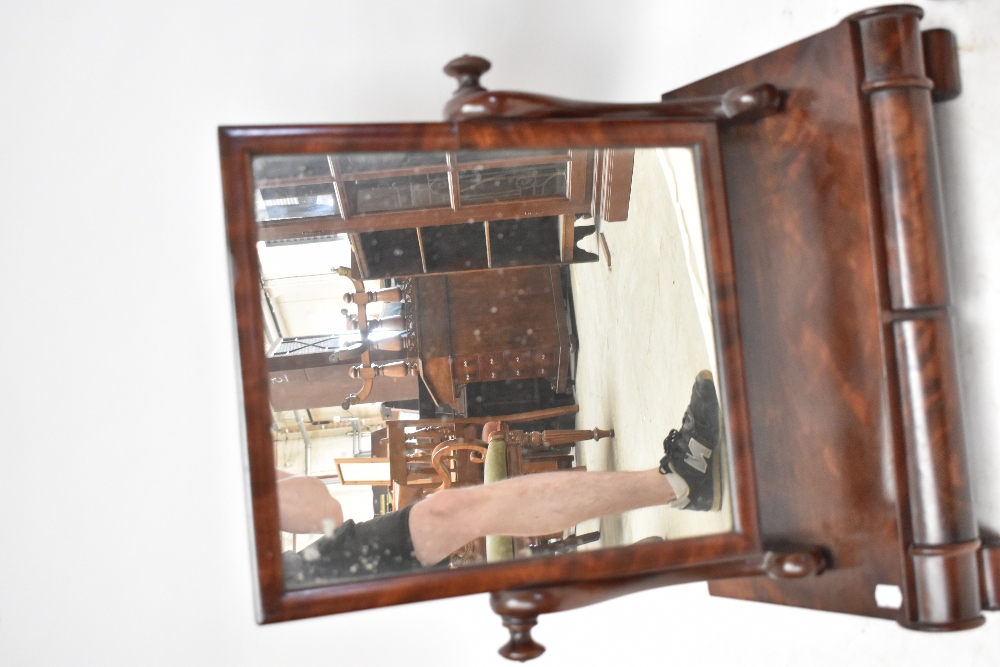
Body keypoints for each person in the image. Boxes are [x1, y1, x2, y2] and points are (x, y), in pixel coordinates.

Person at [280, 371, 722, 588]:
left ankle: (680, 483)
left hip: (298, 581)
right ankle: (633, 579)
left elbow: (323, 510)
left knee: (447, 510)